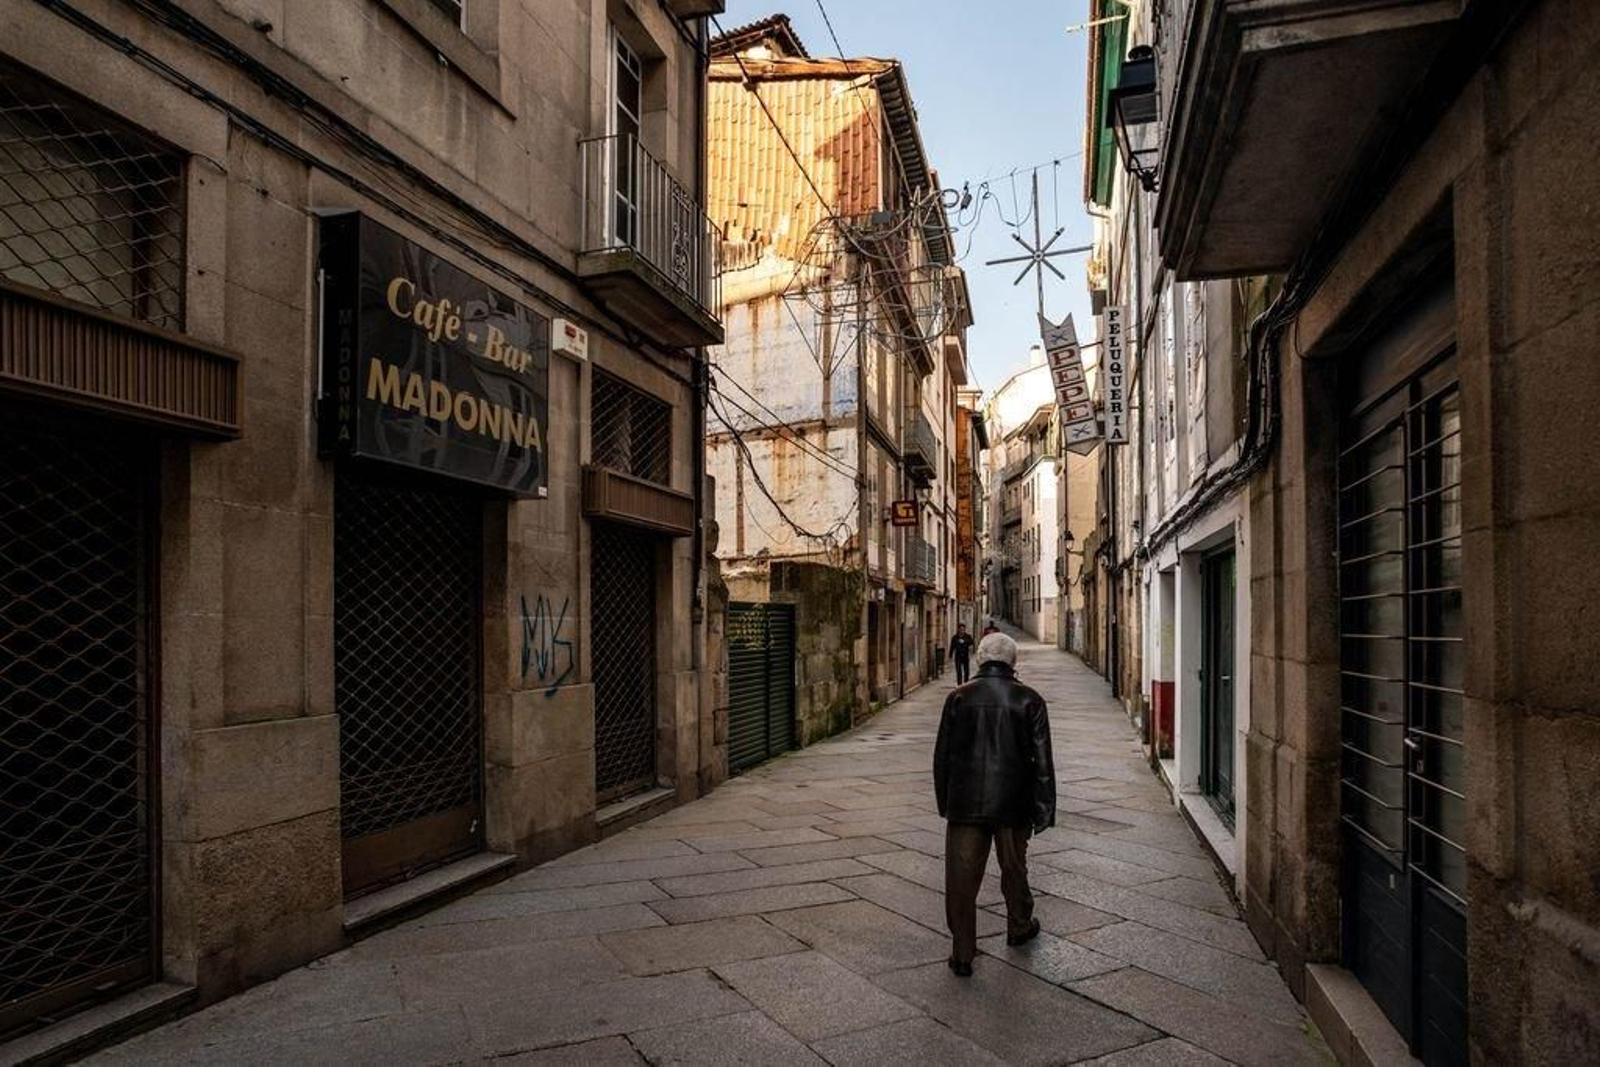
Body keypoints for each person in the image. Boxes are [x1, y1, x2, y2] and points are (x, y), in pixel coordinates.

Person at [932, 632, 1055, 977]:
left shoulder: (958, 697)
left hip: (965, 802)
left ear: (979, 658)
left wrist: (946, 801)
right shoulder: (1030, 699)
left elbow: (942, 757)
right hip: (1014, 802)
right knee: (1014, 869)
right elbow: (1043, 762)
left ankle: (962, 953)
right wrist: (1044, 808)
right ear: (1013, 662)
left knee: (961, 878)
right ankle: (1019, 925)